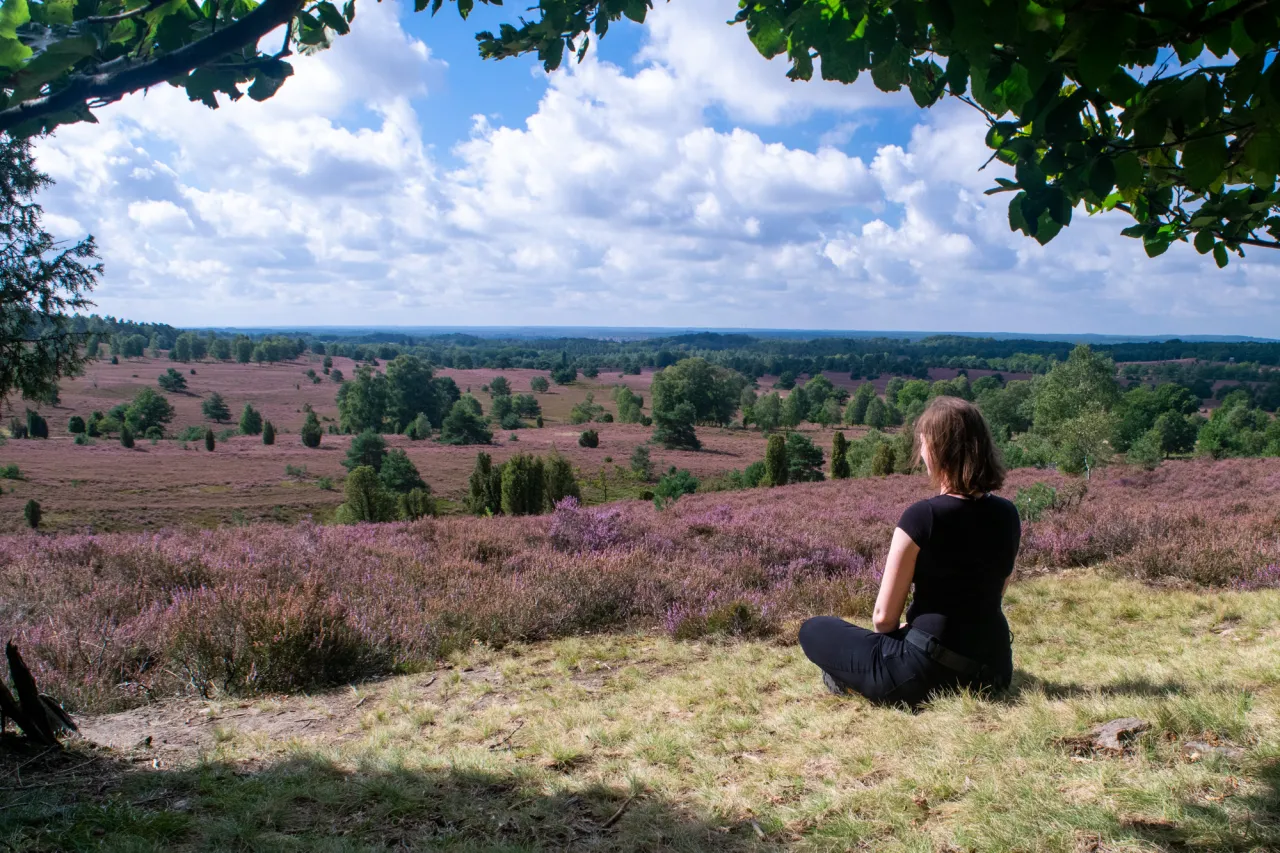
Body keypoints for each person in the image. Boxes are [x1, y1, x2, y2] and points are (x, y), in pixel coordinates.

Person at [798, 396, 1020, 707]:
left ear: (940, 451)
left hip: (923, 673)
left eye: (925, 444)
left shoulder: (922, 517)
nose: (923, 453)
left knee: (814, 628)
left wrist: (908, 632)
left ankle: (848, 681)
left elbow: (883, 619)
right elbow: (996, 593)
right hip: (994, 671)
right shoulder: (1008, 513)